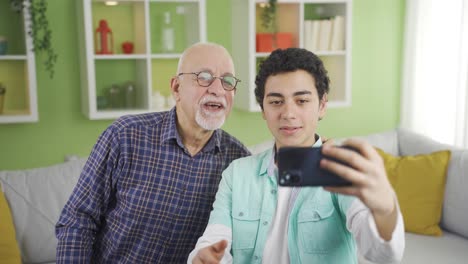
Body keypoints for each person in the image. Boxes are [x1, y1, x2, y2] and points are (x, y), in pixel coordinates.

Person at [188, 48, 405, 264]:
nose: (288, 114)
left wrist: (385, 209)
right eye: (275, 102)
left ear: (321, 106)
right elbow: (214, 238)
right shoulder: (237, 173)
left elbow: (384, 254)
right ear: (263, 109)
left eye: (301, 101)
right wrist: (204, 257)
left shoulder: (340, 170)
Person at [55, 42, 251, 263]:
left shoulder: (239, 161)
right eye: (204, 77)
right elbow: (78, 220)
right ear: (176, 88)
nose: (217, 90)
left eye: (227, 81)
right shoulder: (125, 136)